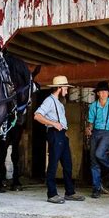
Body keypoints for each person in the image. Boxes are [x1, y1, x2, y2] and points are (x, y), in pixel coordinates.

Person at [34, 75, 86, 204]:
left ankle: (70, 192)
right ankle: (52, 194)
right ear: (59, 88)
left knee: (68, 165)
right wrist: (53, 123)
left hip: (62, 135)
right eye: (65, 88)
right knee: (53, 164)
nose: (67, 91)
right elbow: (37, 116)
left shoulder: (59, 102)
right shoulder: (49, 101)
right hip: (55, 134)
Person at [0, 122, 25, 192]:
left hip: (15, 121)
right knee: (0, 153)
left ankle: (15, 180)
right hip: (3, 121)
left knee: (15, 152)